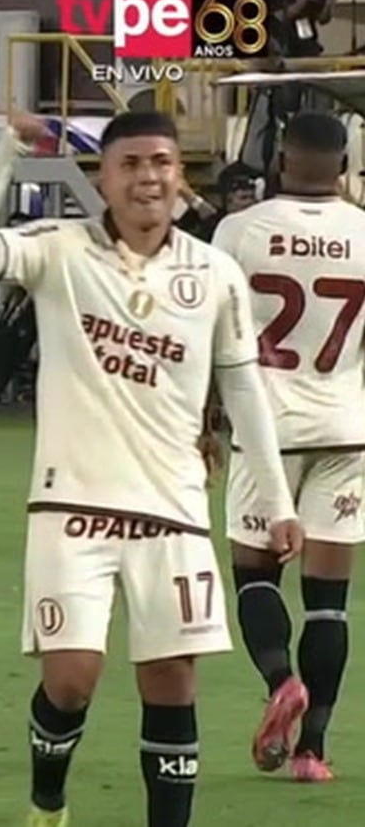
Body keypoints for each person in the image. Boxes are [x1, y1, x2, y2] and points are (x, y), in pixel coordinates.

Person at [0, 110, 300, 827]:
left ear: (180, 174)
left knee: (173, 682)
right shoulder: (60, 250)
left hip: (173, 509)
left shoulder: (215, 274)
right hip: (70, 506)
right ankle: (49, 800)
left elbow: (243, 389)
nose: (149, 177)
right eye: (131, 164)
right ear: (103, 178)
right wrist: (7, 149)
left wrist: (279, 499)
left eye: (162, 162)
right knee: (71, 682)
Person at [211, 110, 365, 783]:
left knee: (254, 574)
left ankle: (282, 681)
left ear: (279, 163)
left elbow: (211, 331)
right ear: (343, 168)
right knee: (329, 598)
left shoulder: (237, 231)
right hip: (346, 425)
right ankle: (313, 752)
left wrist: (202, 417)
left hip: (263, 427)